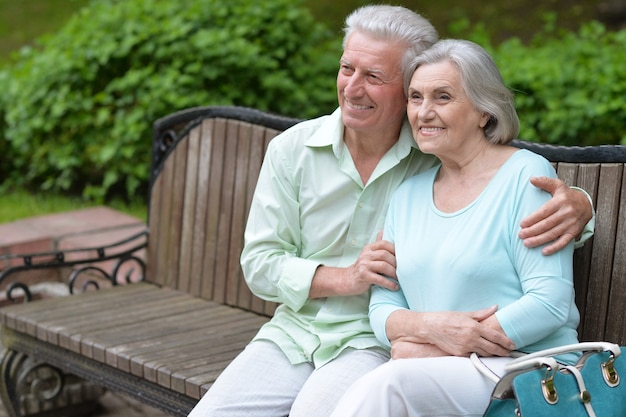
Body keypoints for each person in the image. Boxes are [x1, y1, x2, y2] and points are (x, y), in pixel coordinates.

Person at [188, 6, 592, 417]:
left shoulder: (431, 154)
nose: (352, 88)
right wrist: (346, 278)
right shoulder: (298, 152)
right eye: (347, 69)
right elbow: (259, 264)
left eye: (374, 77)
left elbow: (502, 178)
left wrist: (582, 206)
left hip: (375, 344)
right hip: (297, 333)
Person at [328, 38, 581, 417]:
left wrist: (441, 346)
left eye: (442, 97)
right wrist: (431, 330)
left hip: (527, 367)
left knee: (389, 384)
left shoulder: (526, 176)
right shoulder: (408, 194)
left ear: (483, 110)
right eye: (415, 98)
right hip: (443, 367)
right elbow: (383, 306)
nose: (424, 112)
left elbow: (549, 302)